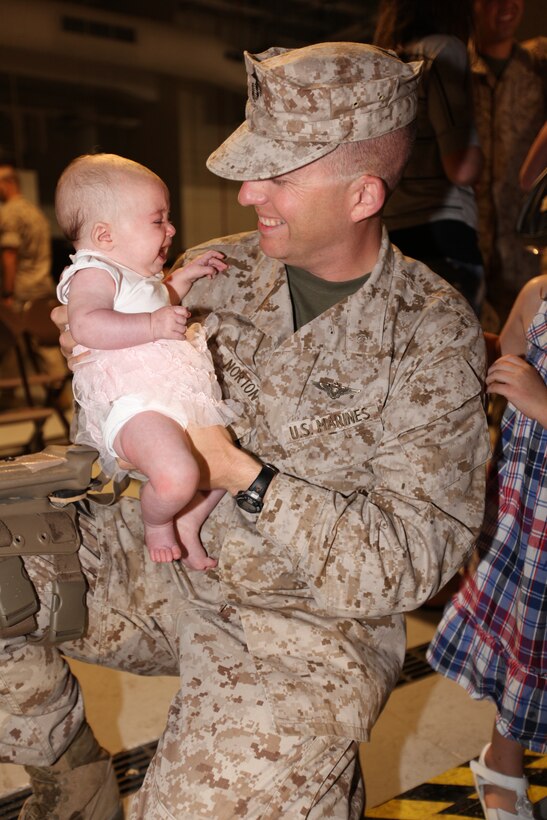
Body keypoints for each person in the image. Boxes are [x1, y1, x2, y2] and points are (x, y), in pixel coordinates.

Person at [0, 42, 490, 819]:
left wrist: (244, 477)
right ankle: (70, 774)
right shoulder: (212, 271)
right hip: (158, 563)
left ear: (362, 195)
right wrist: (91, 364)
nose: (245, 193)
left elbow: (413, 560)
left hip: (301, 626)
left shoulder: (427, 335)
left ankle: (300, 776)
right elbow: (117, 432)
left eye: (279, 176)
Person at [54, 153, 236, 567]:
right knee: (177, 475)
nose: (171, 229)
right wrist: (153, 326)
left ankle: (187, 521)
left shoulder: (133, 275)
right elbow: (87, 325)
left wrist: (182, 280)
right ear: (104, 235)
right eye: (158, 220)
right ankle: (157, 524)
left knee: (228, 463)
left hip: (172, 393)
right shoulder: (93, 273)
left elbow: (153, 299)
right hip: (135, 403)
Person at [427, 273, 547, 820]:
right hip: (535, 517)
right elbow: (504, 381)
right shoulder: (539, 294)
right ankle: (503, 763)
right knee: (528, 637)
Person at [374, 0, 486, 316]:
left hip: (387, 236)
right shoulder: (443, 50)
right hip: (443, 236)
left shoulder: (384, 62)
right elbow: (462, 167)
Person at [471, 0, 547, 322]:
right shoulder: (451, 69)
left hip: (529, 248)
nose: (505, 6)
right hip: (469, 246)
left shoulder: (539, 64)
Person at [0, 163, 55, 310]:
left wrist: (7, 294)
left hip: (21, 293)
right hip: (44, 288)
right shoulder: (35, 212)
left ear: (9, 183)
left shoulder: (9, 212)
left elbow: (10, 255)